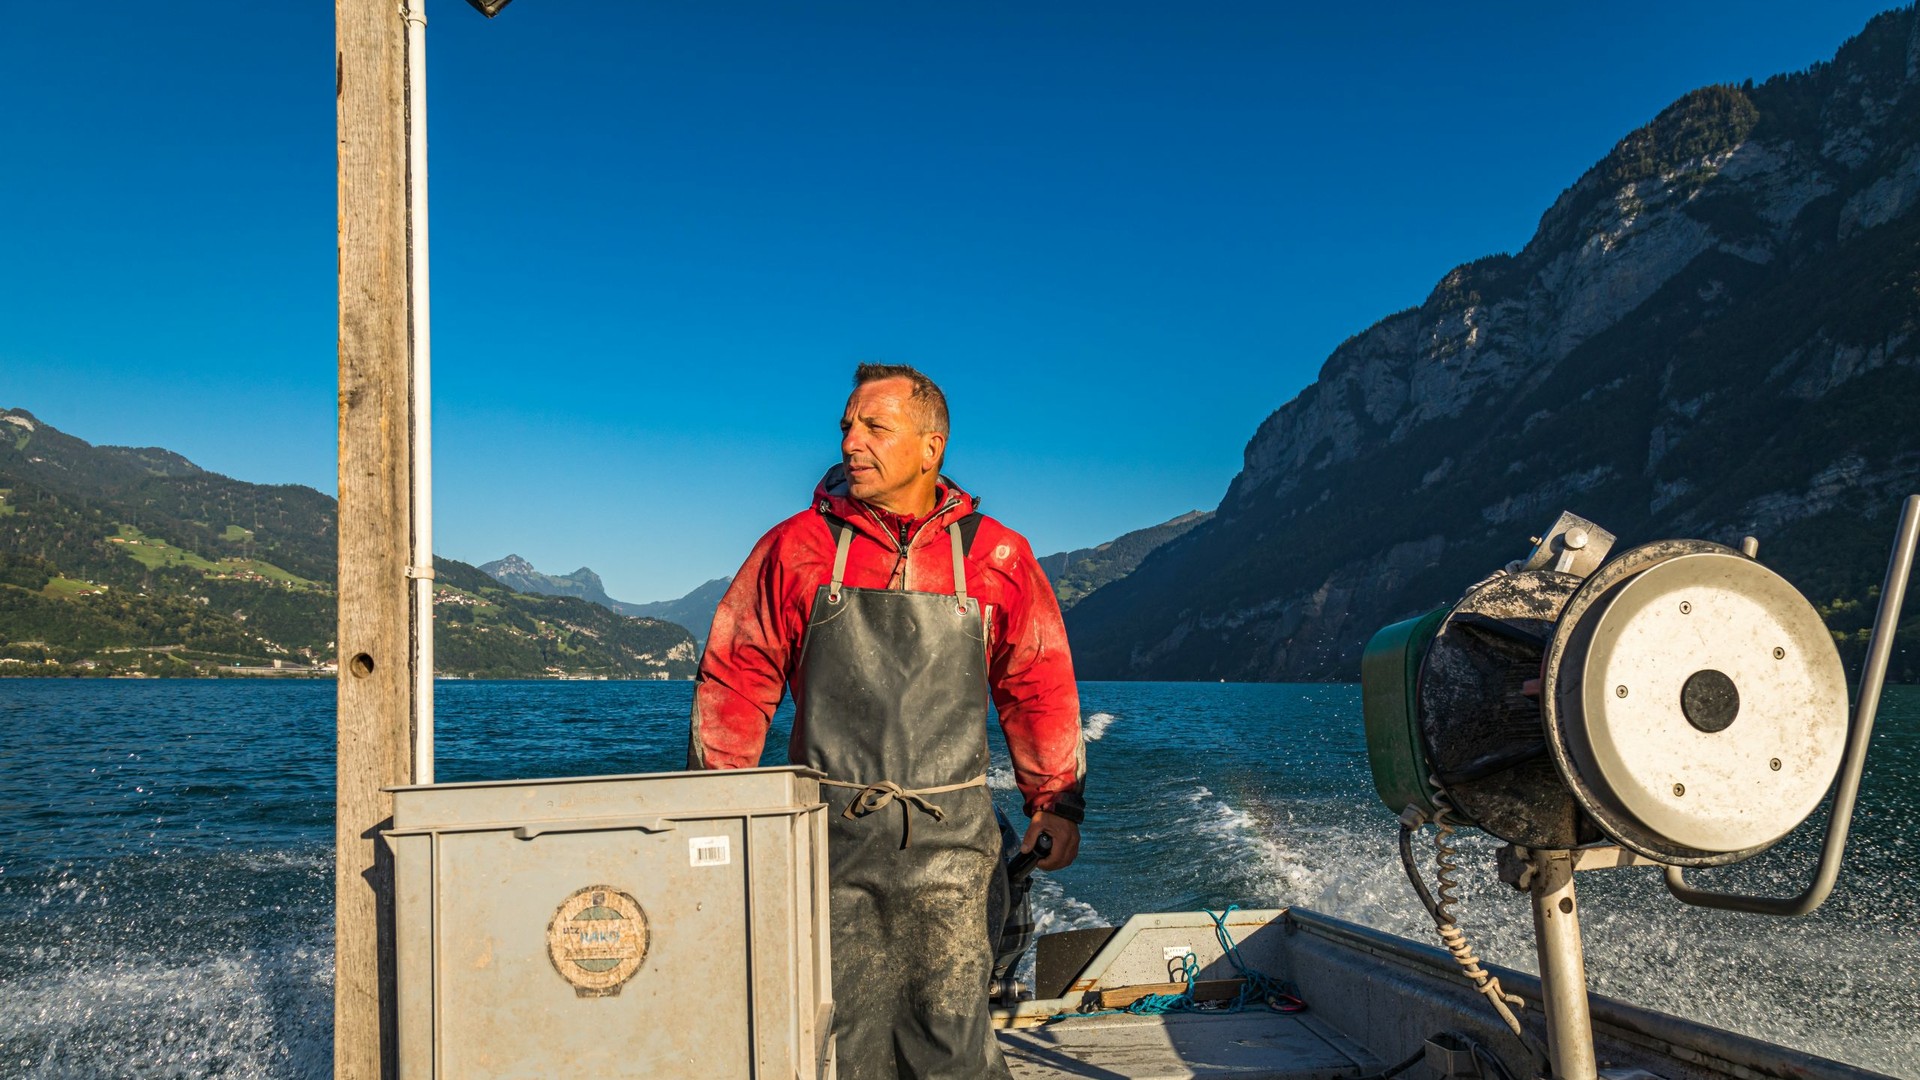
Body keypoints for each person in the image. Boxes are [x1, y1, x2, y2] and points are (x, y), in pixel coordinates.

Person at [689, 363, 1086, 1080]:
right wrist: (717, 807)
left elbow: (1038, 683)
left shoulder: (996, 555)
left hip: (954, 842)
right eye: (847, 426)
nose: (851, 442)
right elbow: (736, 676)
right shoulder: (795, 547)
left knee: (952, 1035)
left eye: (875, 427)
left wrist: (1054, 802)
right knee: (837, 1033)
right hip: (826, 837)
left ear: (931, 447)